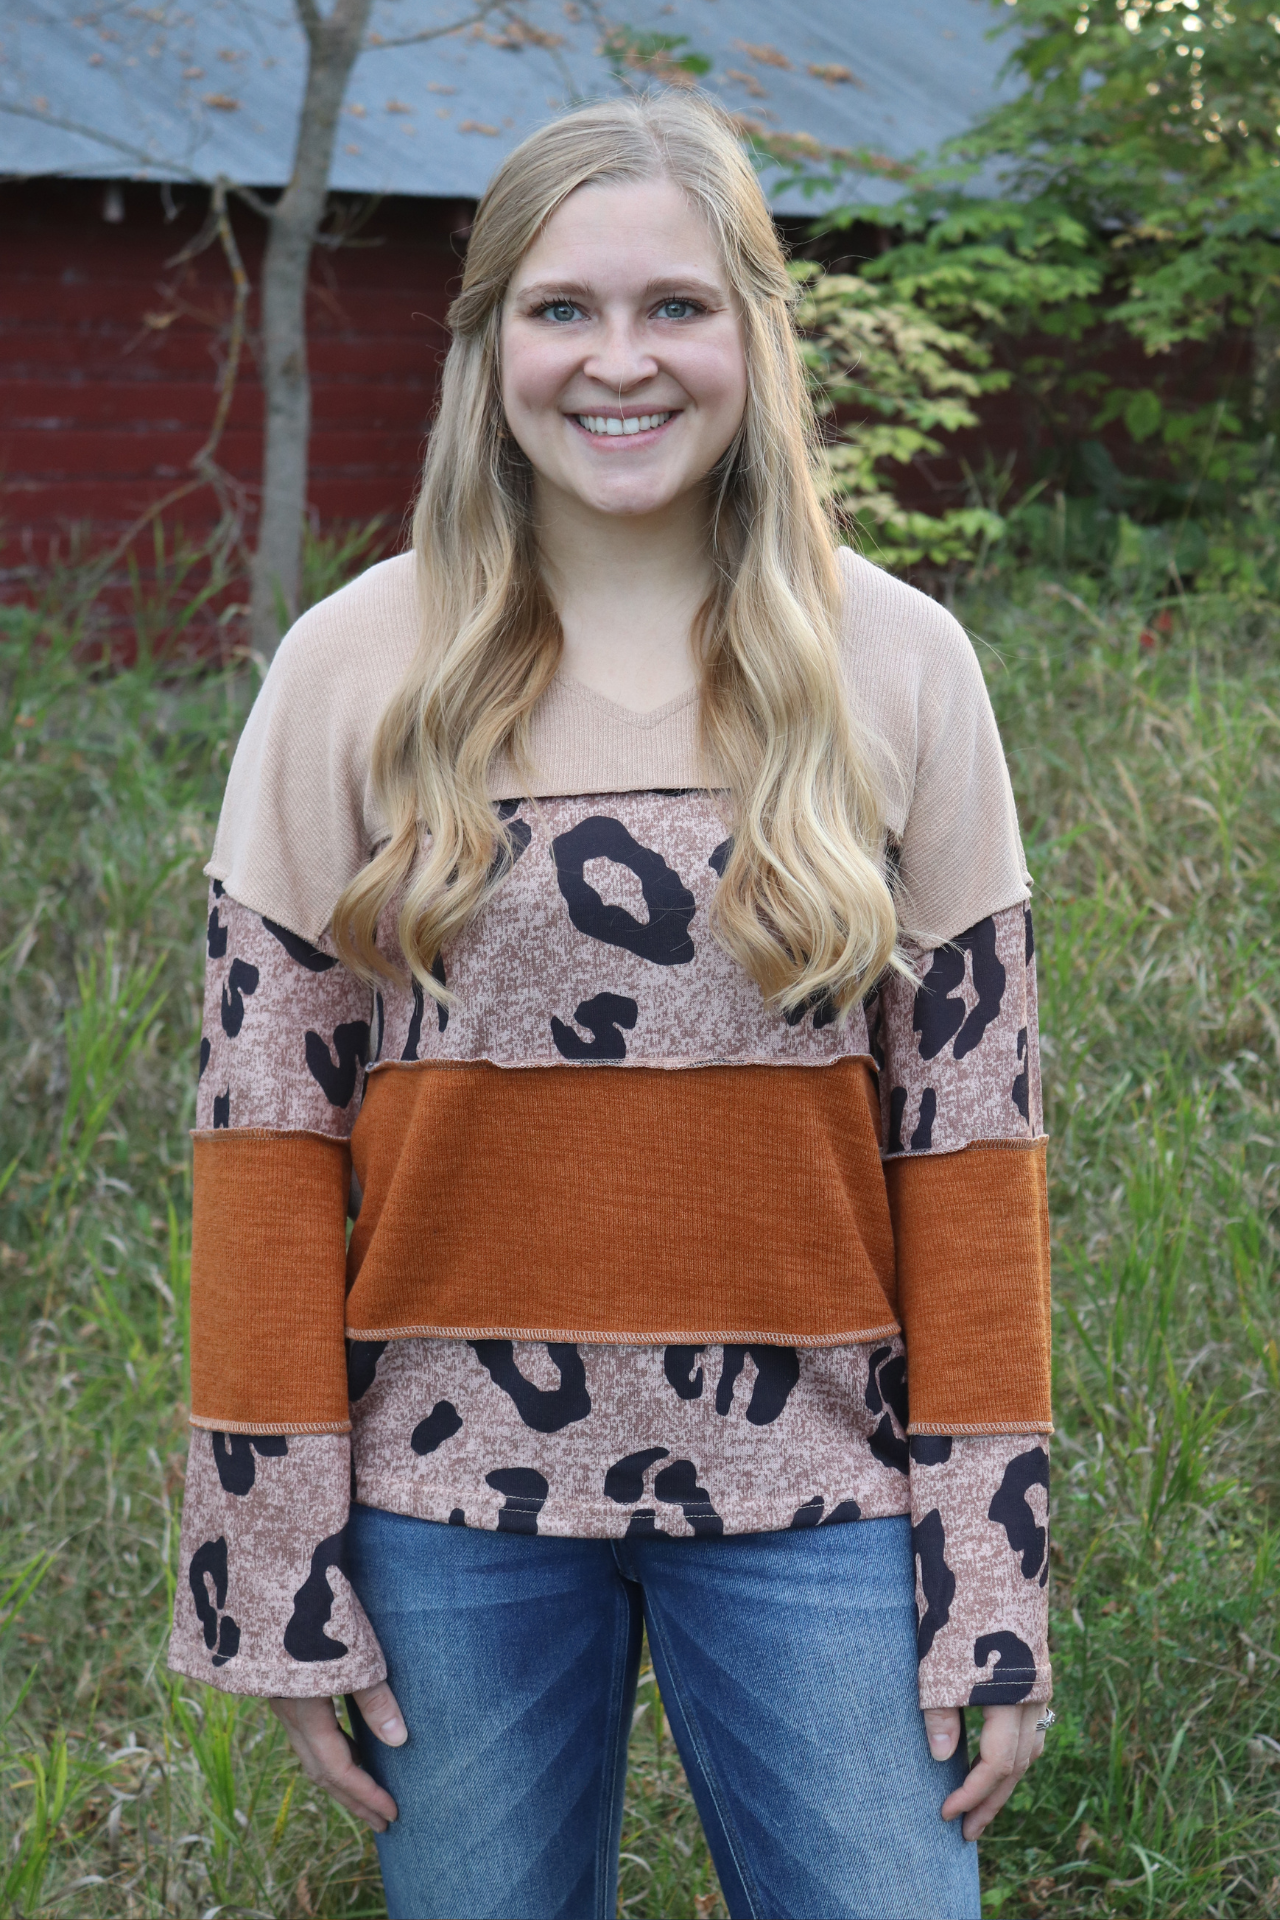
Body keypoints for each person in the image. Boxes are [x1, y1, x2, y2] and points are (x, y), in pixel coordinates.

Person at [169, 89, 1054, 1920]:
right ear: (489, 343)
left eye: (676, 307)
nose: (619, 362)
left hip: (821, 1492)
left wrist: (993, 1574)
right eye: (563, 310)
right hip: (444, 1510)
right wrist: (278, 1572)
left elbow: (976, 1149)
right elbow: (264, 1136)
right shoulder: (352, 669)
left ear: (756, 335)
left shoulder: (898, 663)